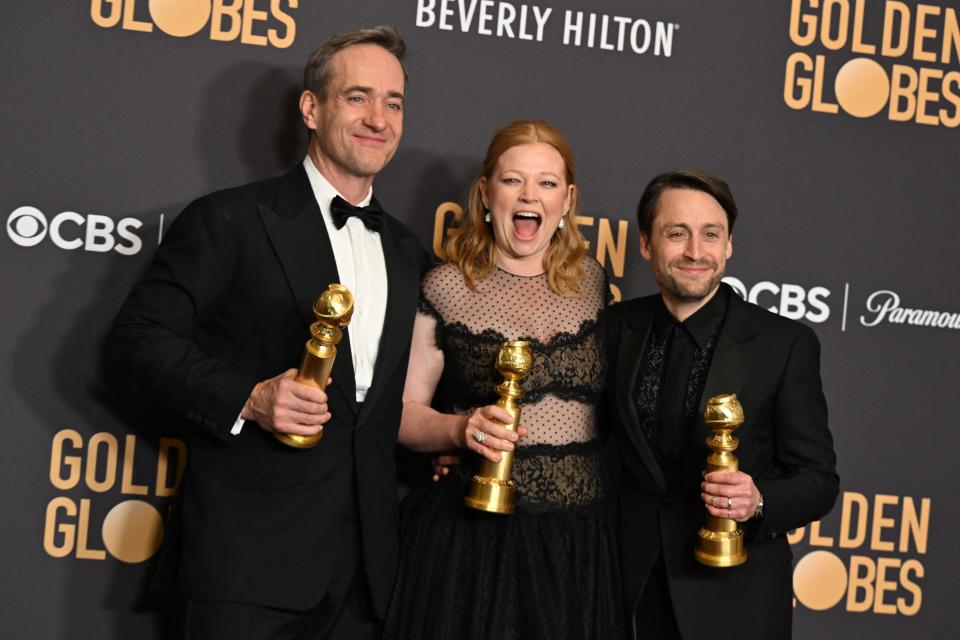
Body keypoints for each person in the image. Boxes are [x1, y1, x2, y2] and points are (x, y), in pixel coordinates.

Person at [107, 26, 430, 639]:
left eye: (394, 102)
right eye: (358, 97)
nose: (378, 118)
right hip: (245, 565)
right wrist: (249, 399)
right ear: (311, 108)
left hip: (364, 575)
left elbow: (389, 405)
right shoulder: (229, 219)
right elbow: (137, 336)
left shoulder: (408, 251)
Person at [384, 120, 623, 640]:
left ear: (567, 200)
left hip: (578, 544)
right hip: (472, 541)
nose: (529, 195)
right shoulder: (444, 287)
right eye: (513, 180)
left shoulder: (595, 285)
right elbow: (402, 412)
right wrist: (458, 431)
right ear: (486, 192)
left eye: (547, 182)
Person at [604, 170, 839, 639]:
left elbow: (819, 481)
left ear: (728, 245)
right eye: (677, 233)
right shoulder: (612, 328)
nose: (695, 251)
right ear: (647, 244)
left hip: (738, 598)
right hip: (625, 592)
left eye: (711, 234)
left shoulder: (784, 343)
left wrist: (758, 501)